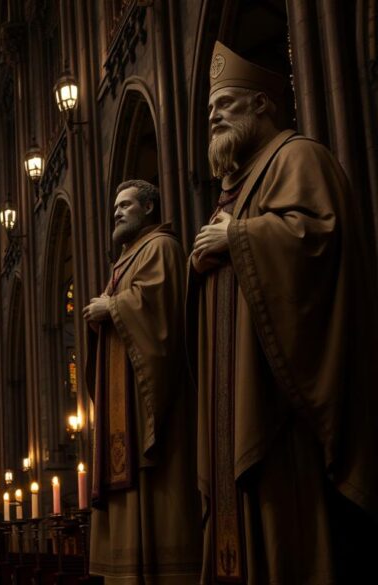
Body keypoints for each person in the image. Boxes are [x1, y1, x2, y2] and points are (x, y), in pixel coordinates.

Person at [189, 41, 378, 583]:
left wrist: (238, 236)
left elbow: (319, 239)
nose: (214, 117)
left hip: (280, 401)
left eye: (226, 104)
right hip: (235, 396)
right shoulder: (240, 183)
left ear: (264, 104)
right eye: (209, 111)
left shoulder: (299, 157)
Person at [83, 180, 200, 584]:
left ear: (149, 208)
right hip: (121, 407)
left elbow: (162, 318)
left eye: (126, 205)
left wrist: (112, 306)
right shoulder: (125, 261)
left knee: (154, 488)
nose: (116, 212)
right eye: (115, 206)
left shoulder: (162, 248)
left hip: (147, 406)